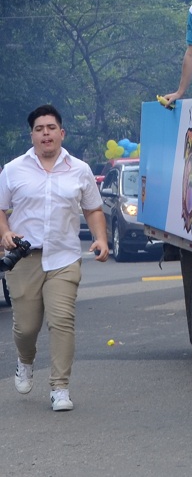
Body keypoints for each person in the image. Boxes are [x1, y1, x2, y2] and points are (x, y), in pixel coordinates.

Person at [0, 104, 110, 412]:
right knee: (26, 328)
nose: (45, 134)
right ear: (32, 135)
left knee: (62, 321)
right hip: (24, 260)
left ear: (61, 133)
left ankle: (60, 387)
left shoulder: (79, 169)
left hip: (64, 257)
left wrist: (100, 238)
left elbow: (93, 209)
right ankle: (25, 360)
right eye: (39, 129)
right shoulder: (13, 170)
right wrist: (5, 234)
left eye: (51, 128)